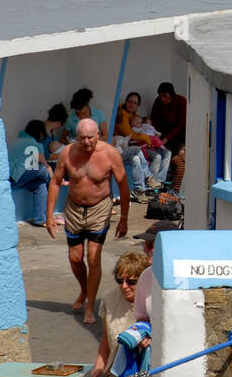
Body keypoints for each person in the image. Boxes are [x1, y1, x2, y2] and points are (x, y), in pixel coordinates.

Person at [46, 118, 130, 324]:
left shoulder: (110, 154)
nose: (86, 142)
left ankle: (90, 305)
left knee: (93, 257)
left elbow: (124, 185)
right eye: (82, 138)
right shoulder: (68, 153)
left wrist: (124, 218)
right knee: (75, 258)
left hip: (100, 208)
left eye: (90, 137)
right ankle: (84, 290)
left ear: (98, 136)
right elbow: (56, 181)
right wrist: (49, 216)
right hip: (74, 209)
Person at [90, 252, 150, 377]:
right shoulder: (109, 298)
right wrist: (99, 368)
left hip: (145, 373)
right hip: (115, 375)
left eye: (131, 282)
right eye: (119, 281)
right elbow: (106, 338)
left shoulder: (152, 301)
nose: (124, 286)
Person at [114, 92, 163, 200]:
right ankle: (148, 177)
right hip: (117, 151)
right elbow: (128, 132)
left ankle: (139, 190)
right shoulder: (121, 114)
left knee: (136, 158)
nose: (132, 104)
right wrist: (146, 138)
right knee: (137, 149)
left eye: (135, 103)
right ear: (126, 102)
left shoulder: (134, 116)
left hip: (126, 150)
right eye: (130, 102)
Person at [133, 221, 180, 323]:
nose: (145, 250)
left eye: (150, 246)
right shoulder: (146, 276)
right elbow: (142, 318)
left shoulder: (187, 277)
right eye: (144, 245)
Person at [9, 119, 52, 225]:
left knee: (40, 185)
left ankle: (40, 219)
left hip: (11, 179)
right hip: (17, 178)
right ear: (40, 133)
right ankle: (55, 186)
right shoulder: (36, 144)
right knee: (42, 169)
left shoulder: (16, 142)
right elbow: (45, 166)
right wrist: (56, 180)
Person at [149, 82, 187, 192]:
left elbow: (181, 124)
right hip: (162, 137)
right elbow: (154, 120)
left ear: (171, 95)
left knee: (182, 159)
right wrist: (155, 135)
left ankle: (176, 189)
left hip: (180, 136)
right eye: (160, 96)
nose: (162, 99)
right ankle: (159, 183)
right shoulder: (158, 102)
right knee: (167, 156)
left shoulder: (181, 101)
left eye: (165, 96)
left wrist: (168, 138)